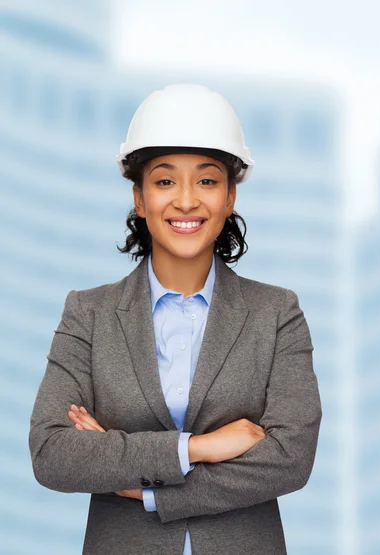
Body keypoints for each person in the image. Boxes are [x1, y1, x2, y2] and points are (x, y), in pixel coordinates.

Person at [29, 83, 322, 555]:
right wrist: (197, 448)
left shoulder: (277, 314)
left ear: (230, 198)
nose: (186, 201)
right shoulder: (89, 315)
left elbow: (290, 459)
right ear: (140, 199)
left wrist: (145, 489)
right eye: (165, 181)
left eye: (207, 181)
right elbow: (53, 455)